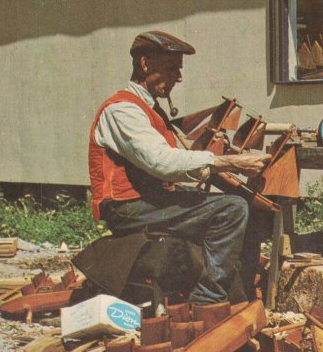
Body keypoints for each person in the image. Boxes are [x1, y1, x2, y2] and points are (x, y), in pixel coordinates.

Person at [88, 30, 271, 305]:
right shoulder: (122, 110)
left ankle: (238, 295)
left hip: (147, 202)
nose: (179, 77)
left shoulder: (149, 109)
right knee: (231, 209)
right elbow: (162, 163)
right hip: (126, 208)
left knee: (243, 207)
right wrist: (230, 162)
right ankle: (206, 301)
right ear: (145, 64)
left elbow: (172, 161)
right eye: (171, 68)